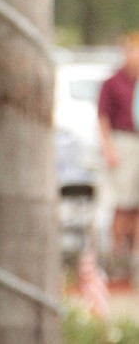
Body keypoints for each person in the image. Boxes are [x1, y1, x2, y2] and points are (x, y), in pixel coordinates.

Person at [97, 31, 139, 282]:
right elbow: (102, 118)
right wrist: (108, 147)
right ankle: (118, 261)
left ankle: (135, 259)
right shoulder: (112, 83)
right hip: (122, 143)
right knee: (122, 204)